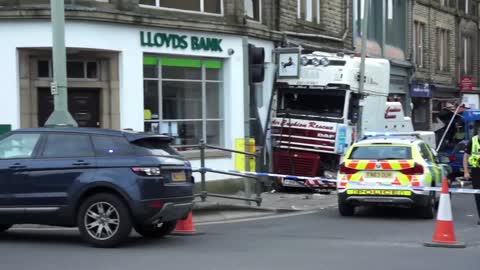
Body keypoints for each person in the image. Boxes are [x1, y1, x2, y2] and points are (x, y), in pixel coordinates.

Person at [463, 126, 480, 225]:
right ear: (478, 132)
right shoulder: (472, 141)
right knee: (478, 196)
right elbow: (465, 157)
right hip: (476, 171)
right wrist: (466, 172)